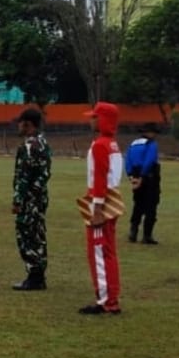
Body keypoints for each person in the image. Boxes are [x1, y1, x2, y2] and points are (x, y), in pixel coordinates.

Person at [80, 101, 124, 315]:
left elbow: (99, 178)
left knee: (97, 252)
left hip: (101, 202)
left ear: (103, 119)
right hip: (112, 198)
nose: (91, 120)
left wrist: (97, 208)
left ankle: (106, 300)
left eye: (94, 117)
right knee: (108, 251)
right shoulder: (112, 144)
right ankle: (111, 296)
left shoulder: (100, 145)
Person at [10, 107, 51, 290]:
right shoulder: (43, 144)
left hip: (29, 200)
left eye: (20, 123)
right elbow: (45, 174)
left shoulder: (28, 147)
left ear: (27, 124)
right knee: (38, 235)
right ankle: (39, 275)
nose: (18, 127)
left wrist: (18, 200)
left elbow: (24, 177)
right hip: (40, 198)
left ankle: (34, 276)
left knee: (26, 235)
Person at [125, 122, 162, 245]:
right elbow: (150, 160)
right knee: (151, 204)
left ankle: (133, 232)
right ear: (150, 133)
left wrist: (131, 176)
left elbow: (127, 160)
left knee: (138, 204)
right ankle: (147, 235)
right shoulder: (151, 144)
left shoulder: (133, 144)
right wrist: (143, 175)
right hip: (149, 177)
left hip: (135, 175)